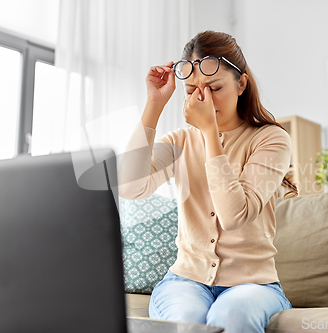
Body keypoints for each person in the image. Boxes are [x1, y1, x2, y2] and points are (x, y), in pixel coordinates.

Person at [117, 30, 297, 333]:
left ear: (241, 84)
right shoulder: (181, 140)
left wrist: (210, 133)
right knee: (187, 321)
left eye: (214, 87)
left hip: (253, 285)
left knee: (232, 316)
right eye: (191, 91)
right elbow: (131, 187)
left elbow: (234, 215)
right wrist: (154, 104)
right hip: (184, 282)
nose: (202, 98)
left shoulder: (272, 139)